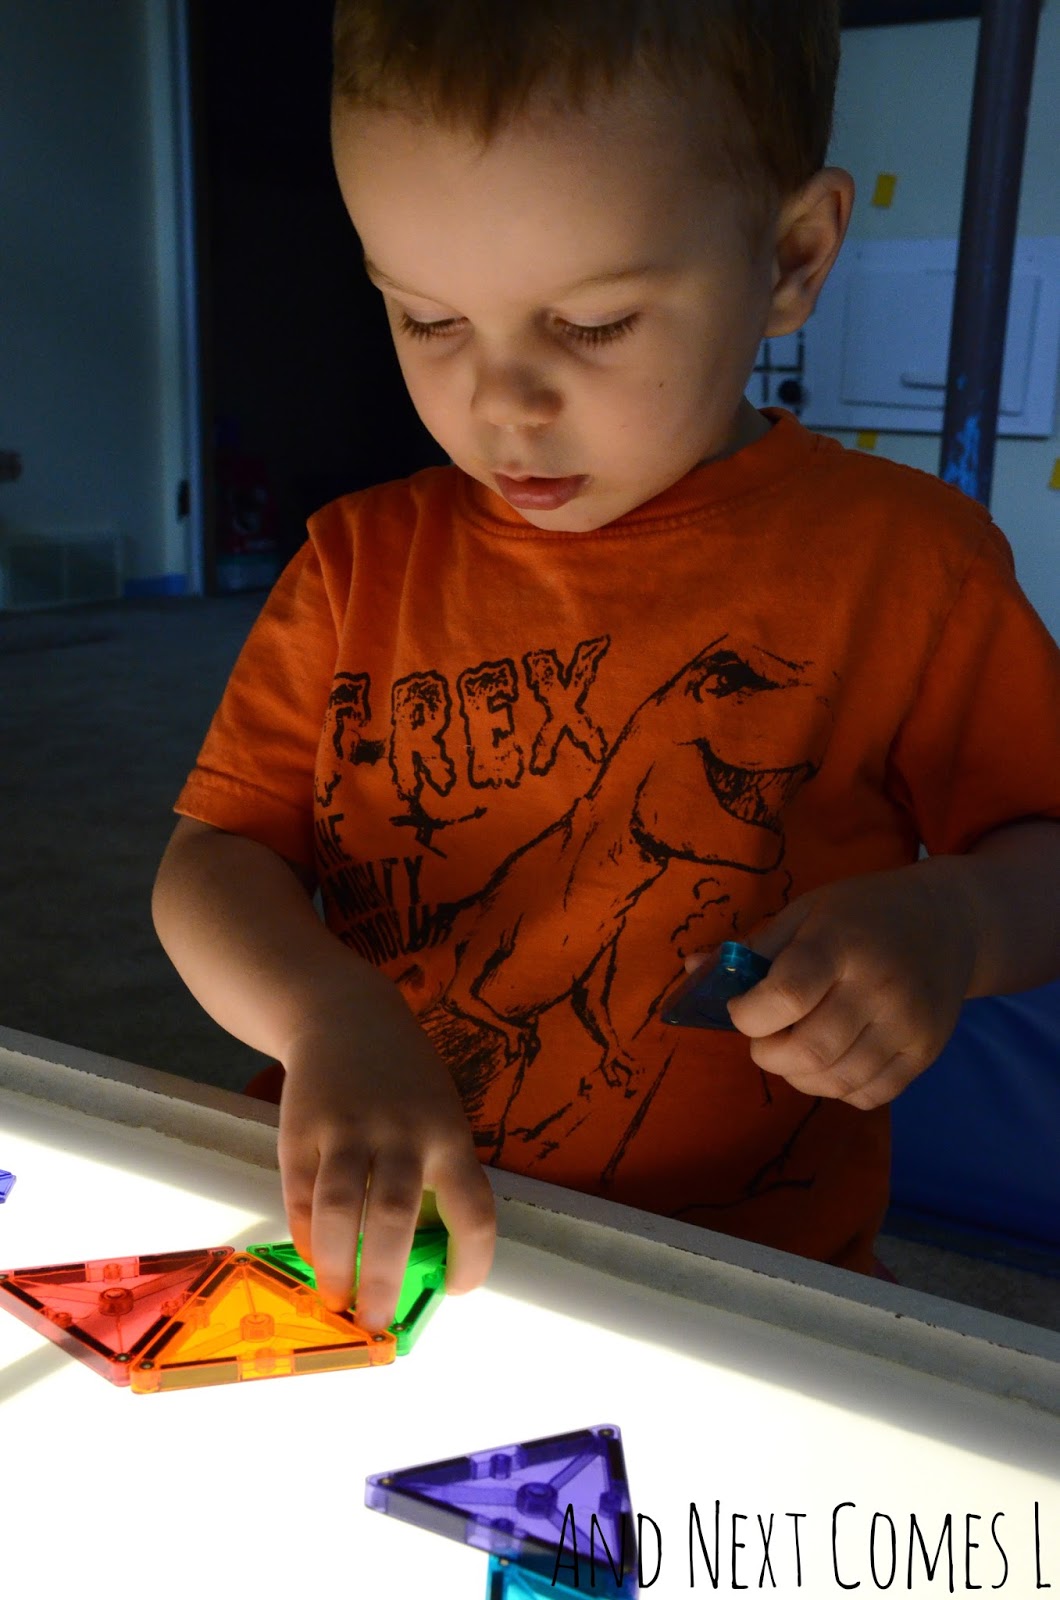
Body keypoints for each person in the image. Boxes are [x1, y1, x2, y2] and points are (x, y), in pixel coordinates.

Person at [153, 0, 1060, 1333]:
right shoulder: (357, 565)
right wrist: (323, 1018)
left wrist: (956, 922)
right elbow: (213, 861)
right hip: (377, 1237)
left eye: (591, 324)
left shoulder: (909, 566)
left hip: (741, 1288)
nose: (501, 403)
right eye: (427, 318)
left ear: (793, 256)